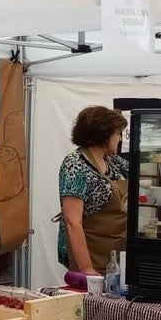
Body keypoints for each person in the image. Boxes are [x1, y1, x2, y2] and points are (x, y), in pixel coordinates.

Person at [56, 105, 129, 277]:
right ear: (103, 135)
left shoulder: (113, 161)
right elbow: (73, 222)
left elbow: (144, 174)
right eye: (117, 133)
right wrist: (86, 269)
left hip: (115, 258)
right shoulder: (75, 165)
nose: (120, 138)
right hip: (92, 259)